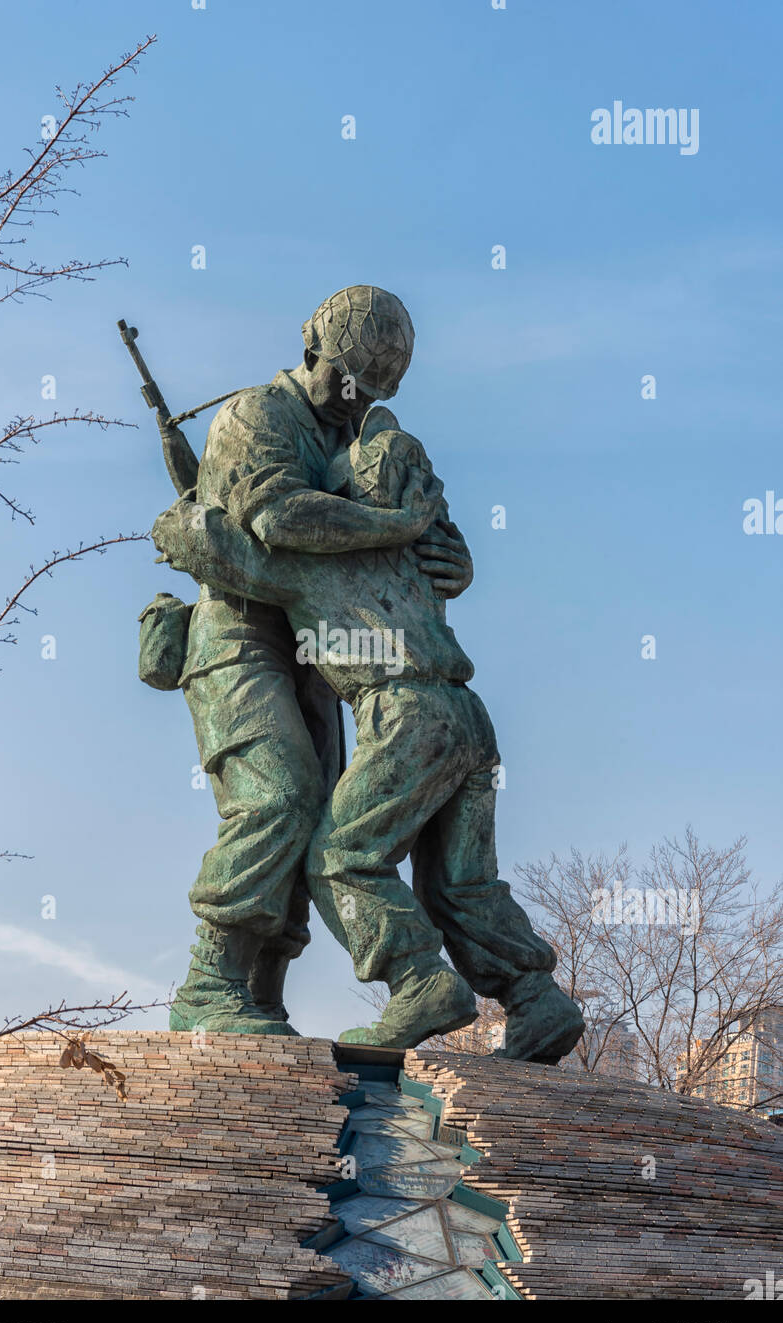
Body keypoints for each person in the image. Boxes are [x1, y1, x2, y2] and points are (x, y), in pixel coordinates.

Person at [154, 409, 585, 1061]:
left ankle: (417, 982)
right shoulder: (417, 559)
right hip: (467, 719)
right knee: (462, 883)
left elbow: (237, 553)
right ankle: (533, 997)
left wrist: (183, 522)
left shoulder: (322, 563)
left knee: (342, 858)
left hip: (405, 713)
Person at [158, 286, 473, 1034]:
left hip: (322, 647)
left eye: (372, 388)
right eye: (344, 378)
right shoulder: (255, 416)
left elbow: (427, 546)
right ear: (311, 352)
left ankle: (260, 993)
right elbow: (278, 515)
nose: (353, 396)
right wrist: (391, 523)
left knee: (318, 816)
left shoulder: (362, 434)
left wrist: (446, 559)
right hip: (236, 631)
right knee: (277, 797)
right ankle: (211, 986)